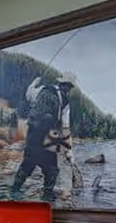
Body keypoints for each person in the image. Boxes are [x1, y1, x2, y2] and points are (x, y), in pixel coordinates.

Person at [10, 72, 77, 201]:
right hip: (52, 133)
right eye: (70, 88)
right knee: (51, 168)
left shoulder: (42, 89)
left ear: (60, 82)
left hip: (34, 131)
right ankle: (47, 196)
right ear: (69, 87)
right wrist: (69, 151)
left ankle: (15, 191)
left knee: (28, 162)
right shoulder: (65, 101)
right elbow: (65, 126)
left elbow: (28, 94)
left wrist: (35, 81)